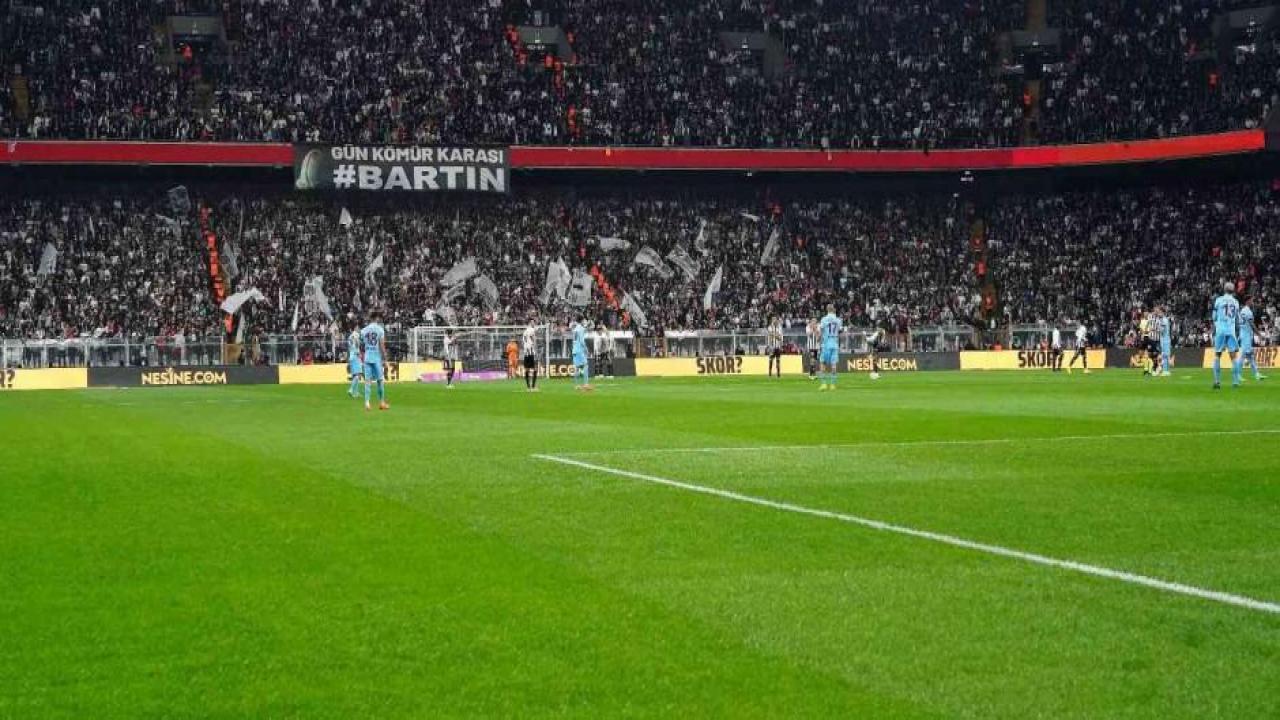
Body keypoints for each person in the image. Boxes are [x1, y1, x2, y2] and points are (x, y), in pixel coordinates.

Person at [1211, 282, 1242, 390]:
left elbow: (1214, 317)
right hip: (1231, 330)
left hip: (1220, 330)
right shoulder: (1236, 302)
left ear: (1224, 289)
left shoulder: (1219, 300)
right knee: (1233, 356)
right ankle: (1235, 381)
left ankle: (1217, 382)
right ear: (1233, 291)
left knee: (1217, 355)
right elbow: (1238, 319)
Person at [361, 310, 389, 411]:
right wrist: (385, 359)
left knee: (367, 381)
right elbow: (382, 345)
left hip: (367, 357)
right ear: (377, 318)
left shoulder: (364, 330)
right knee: (380, 381)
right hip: (376, 358)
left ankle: (367, 403)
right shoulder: (380, 330)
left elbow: (362, 344)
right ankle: (381, 402)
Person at [1239, 296, 1266, 381]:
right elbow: (1252, 324)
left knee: (1250, 356)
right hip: (1246, 336)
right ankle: (1237, 374)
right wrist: (1259, 334)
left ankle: (1257, 374)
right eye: (1251, 300)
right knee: (1243, 355)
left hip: (1244, 334)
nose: (1252, 302)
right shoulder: (1248, 312)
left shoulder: (1242, 311)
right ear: (1247, 301)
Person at [818, 304, 842, 391]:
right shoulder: (838, 320)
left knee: (822, 363)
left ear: (827, 310)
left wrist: (818, 339)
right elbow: (840, 331)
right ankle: (832, 384)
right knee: (834, 365)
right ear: (834, 310)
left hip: (826, 344)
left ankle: (824, 384)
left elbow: (821, 331)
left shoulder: (824, 319)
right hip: (834, 344)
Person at [571, 316, 593, 392]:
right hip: (579, 350)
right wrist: (586, 349)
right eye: (584, 320)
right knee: (585, 365)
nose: (584, 321)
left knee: (577, 367)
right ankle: (586, 384)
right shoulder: (580, 329)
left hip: (574, 350)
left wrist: (588, 325)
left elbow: (585, 329)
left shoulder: (576, 328)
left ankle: (576, 385)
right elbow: (581, 340)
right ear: (582, 321)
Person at [346, 323, 364, 398]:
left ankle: (355, 393)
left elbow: (349, 346)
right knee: (358, 374)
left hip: (351, 356)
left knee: (354, 375)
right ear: (356, 328)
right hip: (356, 355)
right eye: (359, 328)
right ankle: (350, 389)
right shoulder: (356, 335)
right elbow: (356, 344)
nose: (359, 330)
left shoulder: (350, 336)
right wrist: (359, 353)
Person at [522, 321, 540, 392]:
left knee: (527, 369)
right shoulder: (532, 330)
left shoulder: (525, 331)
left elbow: (523, 341)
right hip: (531, 352)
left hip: (526, 352)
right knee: (535, 368)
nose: (534, 323)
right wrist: (535, 348)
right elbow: (534, 340)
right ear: (530, 323)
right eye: (533, 322)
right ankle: (533, 387)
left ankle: (528, 387)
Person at [1157, 307, 1173, 377]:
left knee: (1165, 355)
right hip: (1164, 340)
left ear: (1163, 312)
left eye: (1159, 312)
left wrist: (1157, 329)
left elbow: (1162, 330)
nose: (1158, 314)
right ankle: (1166, 370)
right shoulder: (1163, 320)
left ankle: (1165, 371)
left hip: (1165, 340)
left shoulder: (1164, 320)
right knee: (1165, 355)